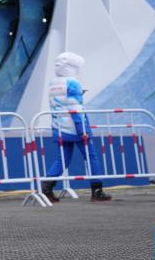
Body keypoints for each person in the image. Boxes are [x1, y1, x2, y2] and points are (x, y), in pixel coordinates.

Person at [41, 51, 111, 203]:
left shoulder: (53, 83)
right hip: (75, 129)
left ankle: (46, 188)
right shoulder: (73, 83)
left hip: (59, 128)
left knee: (62, 160)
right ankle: (97, 191)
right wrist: (82, 130)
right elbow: (75, 109)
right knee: (91, 158)